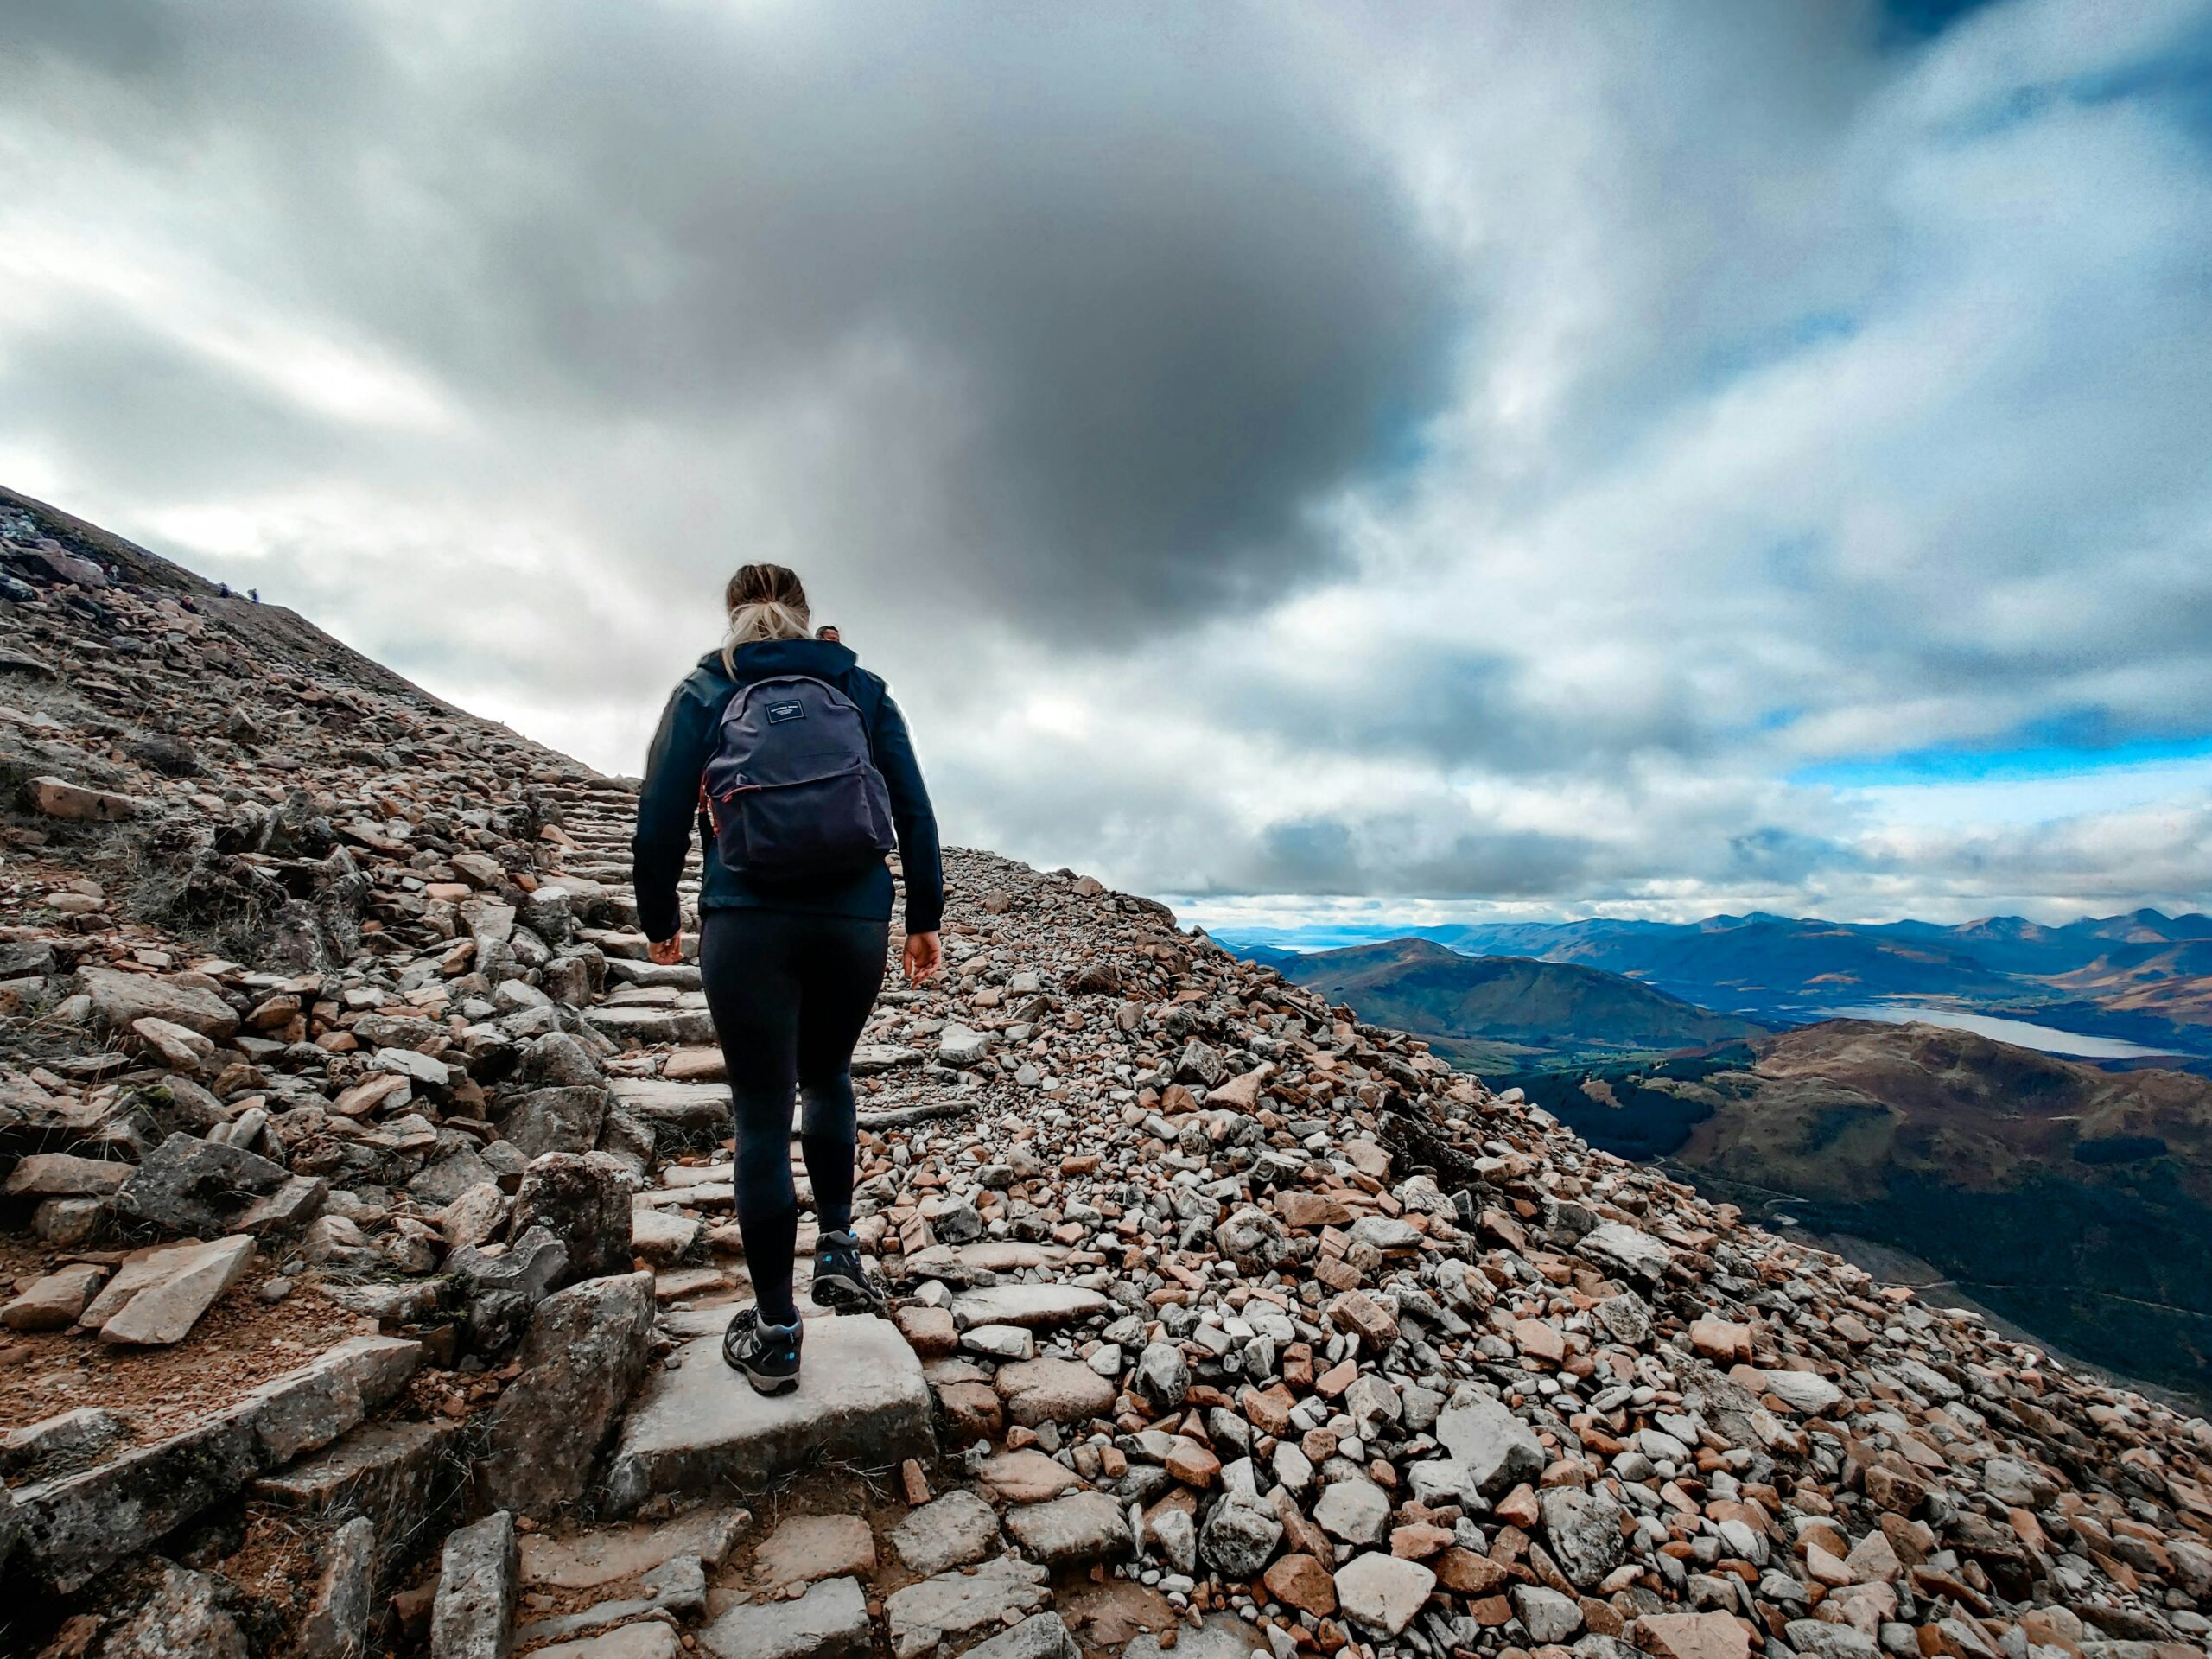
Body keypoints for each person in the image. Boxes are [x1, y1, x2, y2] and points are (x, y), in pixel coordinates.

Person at [632, 564, 943, 1395]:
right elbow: (913, 805)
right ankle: (839, 1248)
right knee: (830, 1074)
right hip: (853, 920)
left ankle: (776, 1336)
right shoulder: (860, 686)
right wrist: (923, 918)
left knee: (763, 1112)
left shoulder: (706, 687)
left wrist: (659, 917)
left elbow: (659, 812)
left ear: (731, 614)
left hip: (746, 919)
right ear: (804, 617)